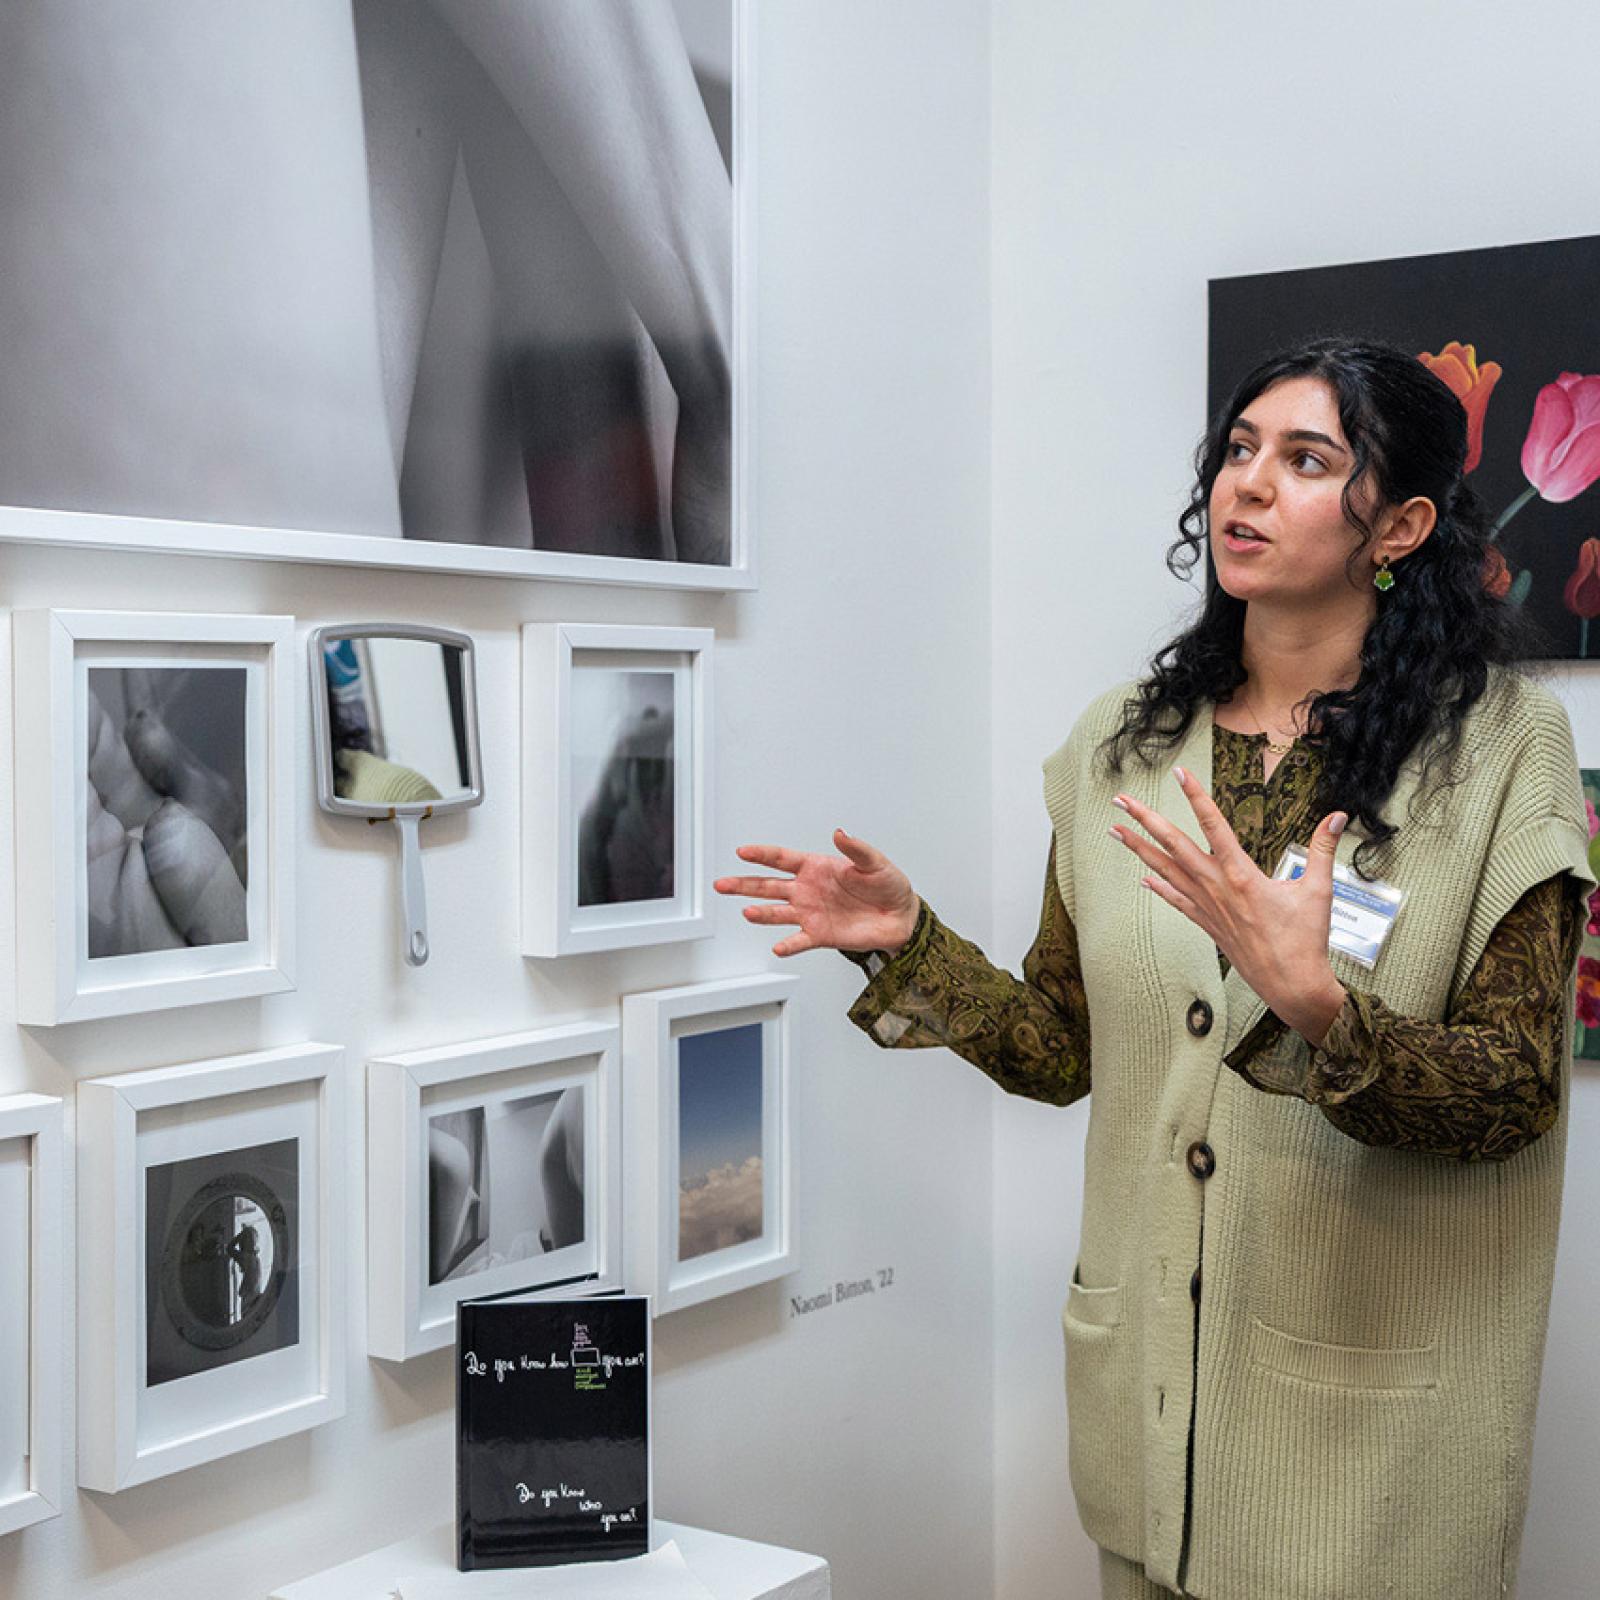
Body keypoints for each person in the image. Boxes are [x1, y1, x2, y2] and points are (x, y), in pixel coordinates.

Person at [714, 337, 1596, 1600]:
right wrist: (915, 945)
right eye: (1238, 450)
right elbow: (1065, 1051)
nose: (1246, 485)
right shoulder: (1120, 746)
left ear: (1398, 525)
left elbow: (1512, 1092)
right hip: (1151, 1428)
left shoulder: (1505, 749)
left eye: (1304, 460)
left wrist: (1320, 1009)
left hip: (1373, 1469)